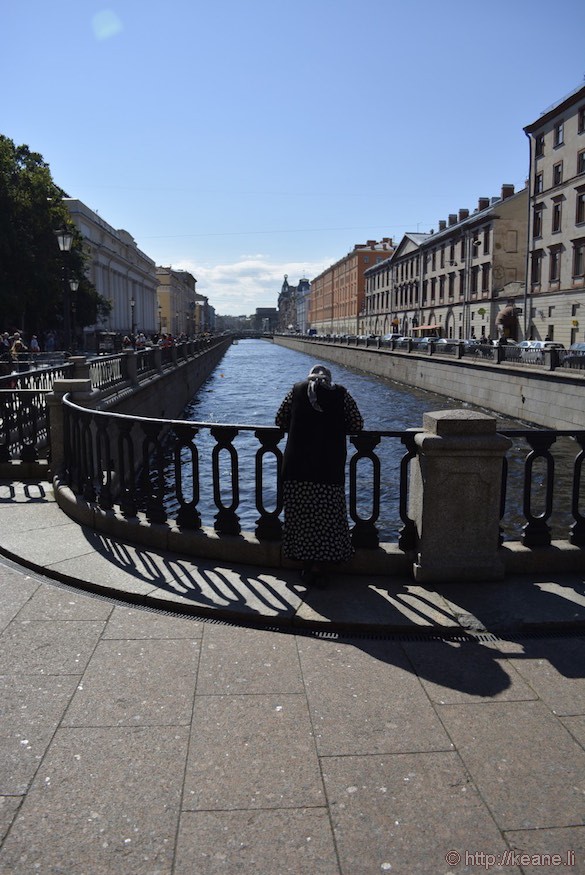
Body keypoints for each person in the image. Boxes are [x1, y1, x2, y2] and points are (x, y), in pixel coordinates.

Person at [275, 364, 363, 586]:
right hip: (328, 468)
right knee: (328, 519)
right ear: (329, 379)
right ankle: (321, 568)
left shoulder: (295, 390)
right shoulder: (341, 394)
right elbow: (357, 424)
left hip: (297, 467)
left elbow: (279, 420)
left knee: (301, 518)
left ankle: (307, 566)